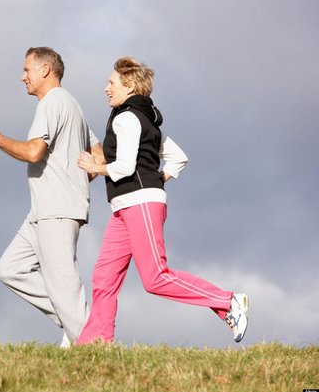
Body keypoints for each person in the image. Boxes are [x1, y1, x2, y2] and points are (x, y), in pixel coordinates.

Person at [75, 56, 248, 344]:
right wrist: (159, 178)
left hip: (140, 204)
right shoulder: (146, 119)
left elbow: (125, 168)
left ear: (129, 87)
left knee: (155, 278)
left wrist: (95, 167)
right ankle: (96, 343)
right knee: (104, 277)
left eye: (111, 83)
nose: (106, 88)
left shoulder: (127, 118)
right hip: (124, 207)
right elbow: (179, 158)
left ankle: (227, 301)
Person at [0, 47, 103, 346]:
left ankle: (95, 348)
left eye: (27, 70)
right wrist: (77, 177)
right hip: (42, 212)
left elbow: (35, 152)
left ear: (45, 69)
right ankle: (73, 320)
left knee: (65, 288)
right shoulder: (73, 105)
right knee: (9, 269)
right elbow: (98, 153)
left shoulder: (52, 103)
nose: (22, 77)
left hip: (57, 211)